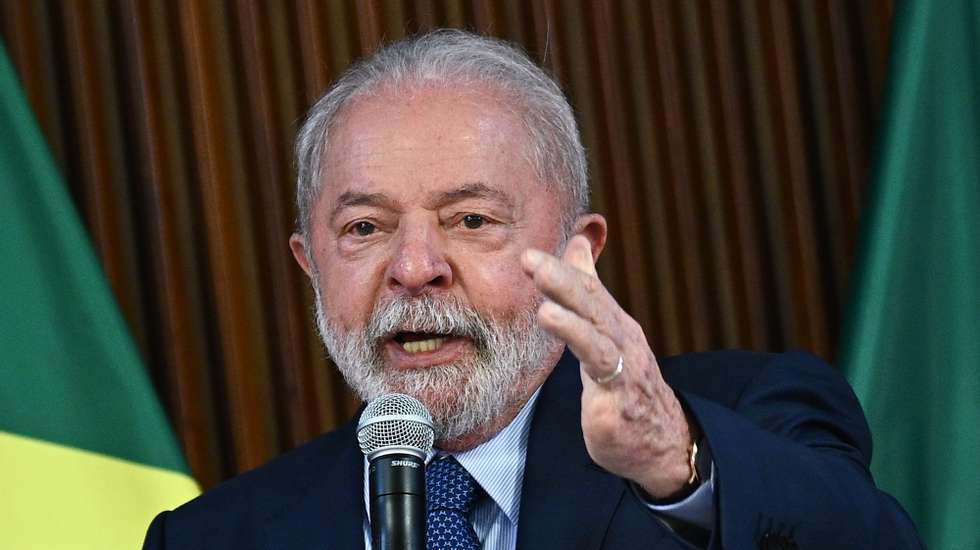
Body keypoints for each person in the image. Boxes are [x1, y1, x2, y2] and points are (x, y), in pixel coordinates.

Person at [143, 29, 923, 549]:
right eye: (365, 229)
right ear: (309, 265)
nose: (415, 267)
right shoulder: (215, 536)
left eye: (471, 218)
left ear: (576, 254)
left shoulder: (741, 419)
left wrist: (675, 462)